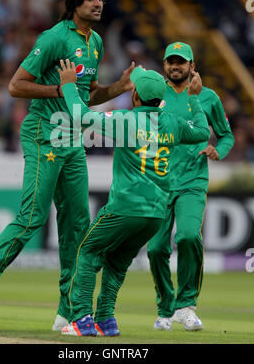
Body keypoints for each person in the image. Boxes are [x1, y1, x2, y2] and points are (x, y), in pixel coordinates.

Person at [0, 0, 135, 331]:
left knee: (78, 226)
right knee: (32, 217)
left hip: (73, 141)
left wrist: (117, 88)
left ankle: (68, 312)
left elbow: (87, 93)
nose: (99, 4)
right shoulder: (54, 38)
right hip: (44, 136)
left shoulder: (95, 41)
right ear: (75, 3)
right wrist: (59, 89)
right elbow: (15, 85)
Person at [56, 59, 210, 336]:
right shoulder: (173, 124)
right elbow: (201, 132)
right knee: (116, 263)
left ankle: (81, 319)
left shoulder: (125, 120)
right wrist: (195, 99)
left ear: (135, 96)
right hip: (154, 215)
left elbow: (80, 117)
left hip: (124, 208)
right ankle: (105, 320)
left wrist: (68, 87)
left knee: (87, 252)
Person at [147, 42, 235, 331]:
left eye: (181, 62)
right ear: (164, 65)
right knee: (156, 248)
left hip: (192, 181)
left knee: (186, 236)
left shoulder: (207, 97)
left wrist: (217, 150)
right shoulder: (153, 94)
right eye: (171, 61)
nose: (176, 66)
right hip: (158, 182)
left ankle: (186, 306)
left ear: (191, 66)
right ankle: (165, 309)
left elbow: (226, 136)